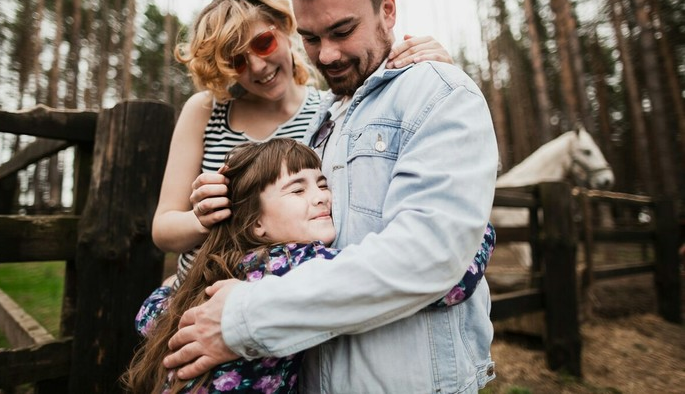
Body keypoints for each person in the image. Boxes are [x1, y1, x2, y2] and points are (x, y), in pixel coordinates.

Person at [163, 0, 499, 393]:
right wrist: (215, 211)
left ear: (387, 10)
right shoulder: (325, 120)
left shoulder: (431, 92)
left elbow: (428, 254)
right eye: (312, 38)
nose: (327, 54)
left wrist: (244, 315)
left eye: (342, 31)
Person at [125, 139, 495, 393]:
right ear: (256, 223)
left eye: (321, 184)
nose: (321, 198)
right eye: (297, 190)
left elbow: (148, 317)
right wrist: (474, 227)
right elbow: (449, 282)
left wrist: (177, 283)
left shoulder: (231, 267)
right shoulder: (296, 261)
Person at [151, 0, 456, 288]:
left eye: (263, 43)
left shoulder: (329, 112)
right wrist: (202, 218)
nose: (257, 66)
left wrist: (439, 72)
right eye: (237, 61)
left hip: (284, 294)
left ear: (286, 28)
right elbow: (163, 230)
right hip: (196, 292)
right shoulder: (206, 111)